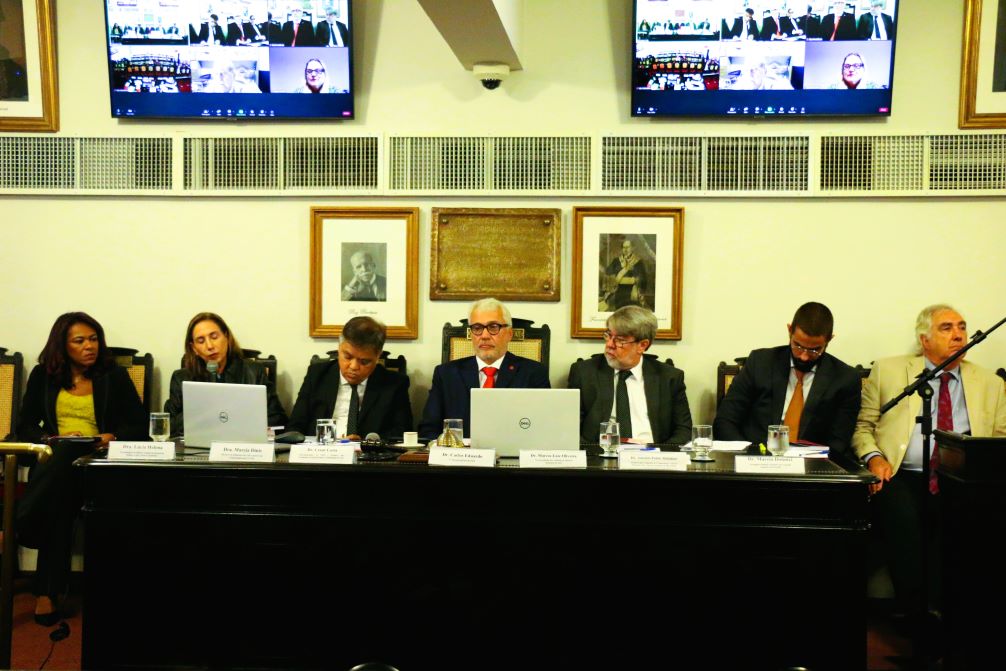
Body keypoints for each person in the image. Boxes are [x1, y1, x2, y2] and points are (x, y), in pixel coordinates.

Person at [853, 305, 1006, 640]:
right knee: (904, 520)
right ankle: (919, 618)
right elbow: (863, 427)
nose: (958, 335)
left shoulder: (991, 383)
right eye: (946, 328)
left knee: (969, 526)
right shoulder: (889, 371)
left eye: (962, 327)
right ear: (924, 340)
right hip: (901, 473)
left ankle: (957, 621)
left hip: (961, 480)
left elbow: (999, 439)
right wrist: (874, 458)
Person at [14, 312, 146, 625]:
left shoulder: (113, 376)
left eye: (94, 339)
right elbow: (25, 425)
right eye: (80, 341)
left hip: (98, 463)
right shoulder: (43, 376)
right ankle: (48, 591)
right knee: (61, 484)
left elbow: (139, 425)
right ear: (62, 345)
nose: (90, 346)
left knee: (59, 483)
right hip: (57, 463)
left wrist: (110, 437)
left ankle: (20, 528)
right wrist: (50, 438)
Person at [713, 302, 862, 456]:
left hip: (812, 464)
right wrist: (748, 457)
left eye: (814, 350)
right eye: (798, 346)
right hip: (755, 459)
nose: (804, 356)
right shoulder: (760, 363)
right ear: (789, 330)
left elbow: (838, 442)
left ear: (829, 339)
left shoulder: (845, 379)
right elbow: (725, 421)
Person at [418, 298, 550, 440]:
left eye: (493, 327)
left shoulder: (533, 373)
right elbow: (428, 430)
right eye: (477, 328)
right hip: (460, 453)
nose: (485, 336)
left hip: (513, 452)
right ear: (471, 334)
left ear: (509, 334)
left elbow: (544, 427)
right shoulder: (446, 374)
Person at [568, 306, 692, 445]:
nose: (609, 344)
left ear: (642, 345)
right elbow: (569, 427)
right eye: (608, 335)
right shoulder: (584, 373)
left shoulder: (669, 378)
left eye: (620, 340)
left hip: (651, 452)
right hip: (601, 452)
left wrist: (661, 453)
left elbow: (683, 430)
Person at [164, 312, 287, 437]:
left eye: (214, 337)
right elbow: (169, 427)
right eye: (201, 341)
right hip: (197, 445)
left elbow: (278, 420)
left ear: (226, 337)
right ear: (194, 348)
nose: (209, 346)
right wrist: (202, 410)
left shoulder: (254, 372)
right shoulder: (181, 378)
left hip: (241, 443)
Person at [288, 316, 412, 440]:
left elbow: (402, 434)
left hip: (367, 450)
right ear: (339, 348)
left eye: (364, 361)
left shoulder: (395, 384)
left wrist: (365, 442)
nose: (353, 367)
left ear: (378, 356)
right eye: (347, 357)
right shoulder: (317, 375)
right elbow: (295, 427)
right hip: (321, 449)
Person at [600, 239, 648, 311]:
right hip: (619, 291)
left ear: (632, 248)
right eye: (624, 247)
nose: (625, 249)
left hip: (632, 291)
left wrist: (636, 283)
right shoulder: (616, 261)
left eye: (628, 247)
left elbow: (643, 277)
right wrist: (614, 276)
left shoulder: (638, 262)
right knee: (620, 311)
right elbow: (608, 272)